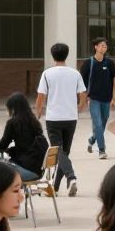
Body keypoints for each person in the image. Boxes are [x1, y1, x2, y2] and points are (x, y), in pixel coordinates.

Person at [36, 42, 86, 196]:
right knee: (64, 153)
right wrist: (80, 106)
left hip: (54, 118)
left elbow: (40, 97)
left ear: (53, 56)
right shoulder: (75, 73)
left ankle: (71, 177)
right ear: (67, 55)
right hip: (71, 117)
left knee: (59, 152)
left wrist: (37, 113)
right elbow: (83, 93)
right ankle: (54, 188)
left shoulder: (47, 74)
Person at [0, 92, 48, 183]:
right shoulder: (34, 121)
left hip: (25, 170)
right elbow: (27, 143)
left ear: (12, 108)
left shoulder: (13, 123)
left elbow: (2, 146)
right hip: (38, 171)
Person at [80, 37, 115, 161]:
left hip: (106, 99)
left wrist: (114, 97)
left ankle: (92, 139)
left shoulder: (110, 63)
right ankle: (102, 150)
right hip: (94, 99)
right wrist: (83, 99)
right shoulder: (88, 63)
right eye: (101, 45)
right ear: (95, 47)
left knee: (103, 122)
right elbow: (82, 83)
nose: (104, 47)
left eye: (105, 46)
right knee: (98, 123)